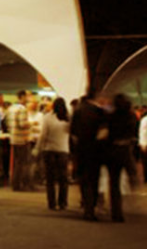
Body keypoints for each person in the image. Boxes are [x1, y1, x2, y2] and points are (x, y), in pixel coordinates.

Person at [71, 91, 106, 221]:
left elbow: (73, 134)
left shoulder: (78, 110)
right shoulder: (99, 111)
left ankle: (87, 208)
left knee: (84, 180)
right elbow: (103, 132)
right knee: (94, 179)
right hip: (95, 151)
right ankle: (92, 207)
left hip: (81, 151)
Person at [104, 94, 138, 222]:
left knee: (114, 182)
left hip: (113, 150)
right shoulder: (131, 116)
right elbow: (134, 133)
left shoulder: (111, 116)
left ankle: (116, 212)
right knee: (131, 172)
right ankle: (132, 185)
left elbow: (107, 134)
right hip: (125, 150)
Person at [34, 97, 70, 211]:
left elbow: (43, 135)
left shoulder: (48, 118)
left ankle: (52, 203)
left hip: (49, 150)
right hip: (63, 150)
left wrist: (37, 148)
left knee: (50, 179)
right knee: (63, 179)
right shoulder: (68, 118)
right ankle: (63, 203)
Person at [7, 90, 33, 191]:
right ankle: (19, 184)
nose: (29, 98)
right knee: (22, 163)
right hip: (22, 138)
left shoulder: (11, 108)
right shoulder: (22, 109)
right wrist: (31, 124)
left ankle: (15, 184)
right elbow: (22, 124)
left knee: (17, 162)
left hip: (13, 137)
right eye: (27, 96)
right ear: (22, 97)